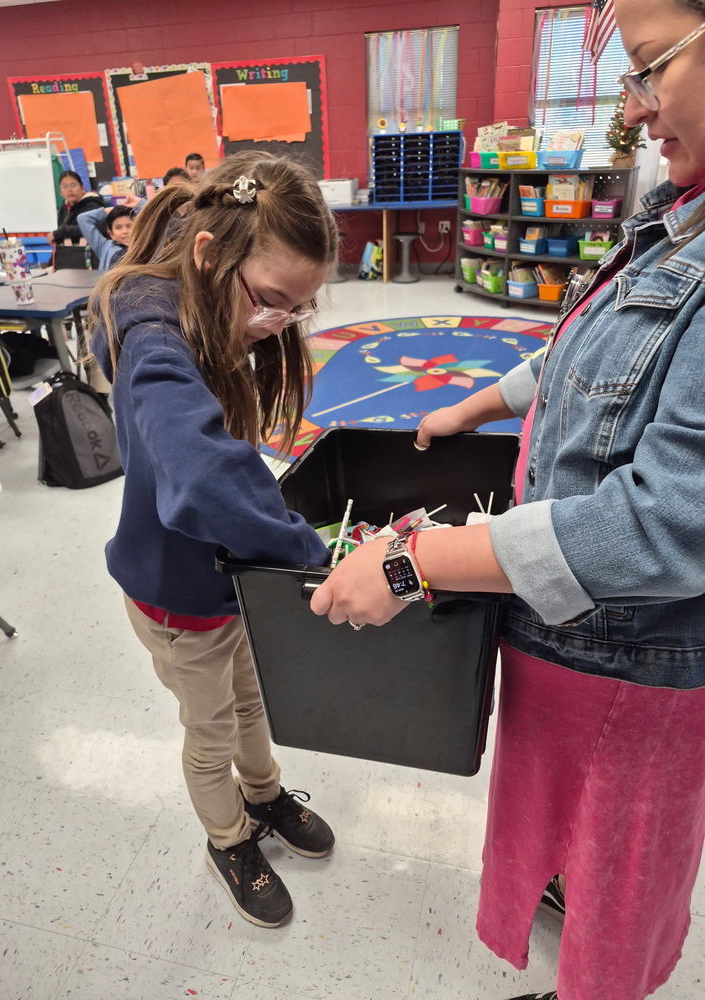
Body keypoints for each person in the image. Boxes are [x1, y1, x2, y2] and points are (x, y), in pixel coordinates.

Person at [310, 1, 705, 997]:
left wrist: (412, 561)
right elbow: (593, 352)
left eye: (651, 66)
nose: (634, 109)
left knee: (620, 888)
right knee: (575, 845)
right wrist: (473, 405)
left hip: (637, 671)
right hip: (573, 643)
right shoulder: (677, 218)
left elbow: (663, 527)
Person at [88, 151, 338, 930]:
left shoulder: (204, 301)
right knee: (210, 731)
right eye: (271, 302)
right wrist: (311, 553)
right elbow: (202, 478)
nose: (277, 324)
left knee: (251, 701)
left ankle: (263, 795)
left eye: (296, 310)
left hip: (228, 583)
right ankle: (227, 839)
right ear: (207, 253)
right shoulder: (154, 338)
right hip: (177, 597)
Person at [77, 205, 135, 271]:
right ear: (111, 234)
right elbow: (83, 219)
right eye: (118, 228)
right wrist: (108, 210)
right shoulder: (104, 246)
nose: (125, 231)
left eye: (129, 226)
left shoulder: (141, 249)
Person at [53, 170, 104, 244]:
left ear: (82, 188)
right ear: (60, 192)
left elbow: (91, 228)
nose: (69, 190)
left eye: (73, 185)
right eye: (64, 187)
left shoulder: (93, 205)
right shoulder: (64, 207)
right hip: (68, 249)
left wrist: (59, 233)